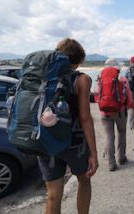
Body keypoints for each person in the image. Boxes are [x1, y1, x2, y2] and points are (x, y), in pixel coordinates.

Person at [37, 38, 98, 214]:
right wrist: (93, 153)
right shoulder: (82, 80)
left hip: (46, 142)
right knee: (84, 180)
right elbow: (85, 118)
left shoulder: (43, 77)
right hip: (74, 144)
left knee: (53, 195)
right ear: (79, 60)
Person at [95, 58, 134, 171]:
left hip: (104, 112)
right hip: (120, 112)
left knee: (109, 136)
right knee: (121, 133)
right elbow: (129, 96)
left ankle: (111, 164)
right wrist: (130, 106)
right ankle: (121, 158)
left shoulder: (100, 80)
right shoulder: (122, 79)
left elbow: (96, 96)